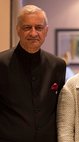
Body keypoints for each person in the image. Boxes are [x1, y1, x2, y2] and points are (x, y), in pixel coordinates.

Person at [0, 5, 66, 142]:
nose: (33, 33)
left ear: (46, 31)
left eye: (39, 28)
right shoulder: (1, 63)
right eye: (27, 27)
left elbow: (62, 110)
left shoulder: (58, 65)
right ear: (18, 30)